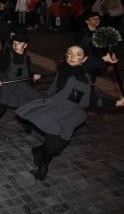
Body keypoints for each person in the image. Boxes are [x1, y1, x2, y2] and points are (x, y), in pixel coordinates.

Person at [16, 45, 122, 180]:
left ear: (84, 59)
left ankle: (38, 150)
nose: (72, 57)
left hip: (71, 117)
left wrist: (118, 103)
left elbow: (93, 100)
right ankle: (44, 165)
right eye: (69, 54)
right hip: (55, 112)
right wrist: (103, 59)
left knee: (58, 148)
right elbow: (79, 68)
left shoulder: (88, 78)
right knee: (52, 146)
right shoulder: (64, 70)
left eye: (78, 54)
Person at [0, 33, 42, 135]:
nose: (16, 46)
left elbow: (28, 72)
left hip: (21, 85)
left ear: (25, 45)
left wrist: (34, 76)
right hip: (8, 85)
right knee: (2, 108)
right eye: (14, 43)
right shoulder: (8, 56)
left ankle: (24, 123)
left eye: (19, 43)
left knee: (23, 107)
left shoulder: (27, 58)